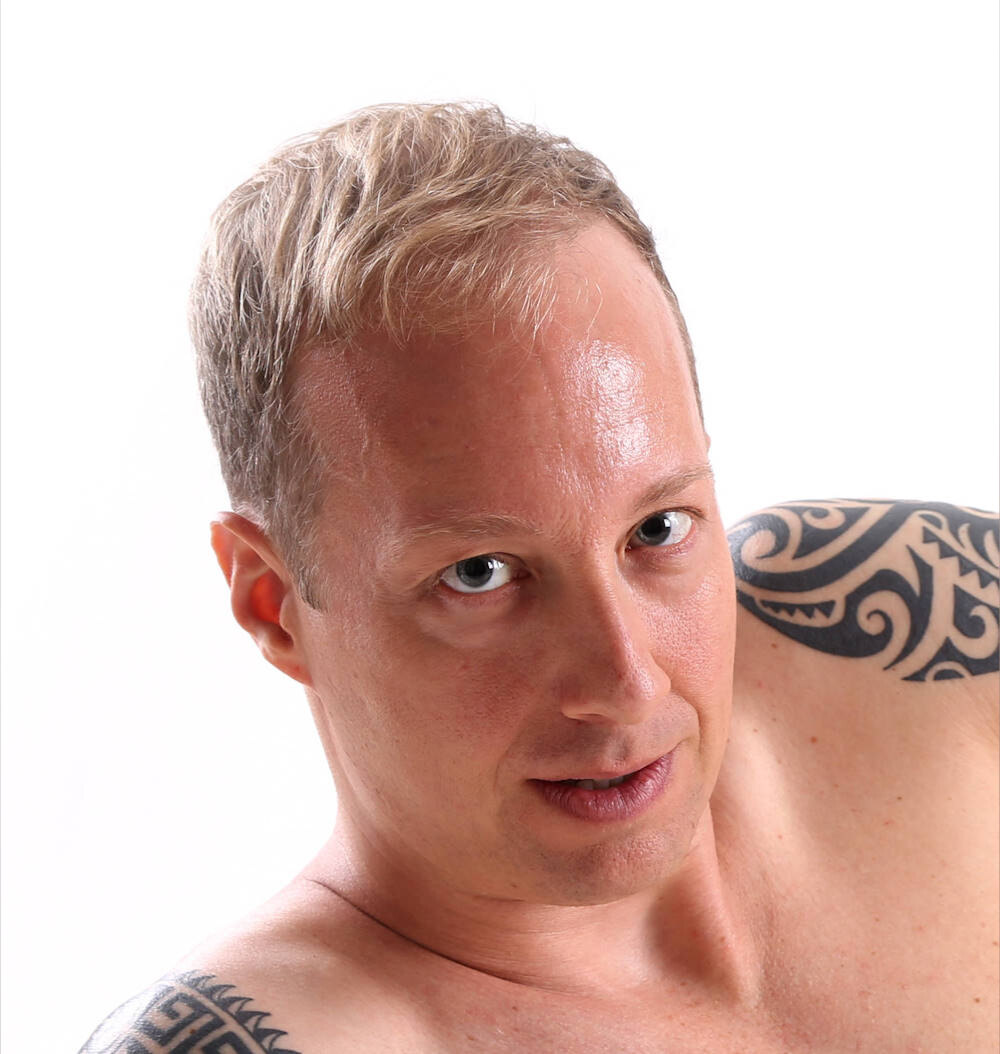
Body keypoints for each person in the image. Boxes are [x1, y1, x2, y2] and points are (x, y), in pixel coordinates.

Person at [81, 103, 998, 1054]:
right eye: (480, 575)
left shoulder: (905, 631)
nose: (627, 682)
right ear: (273, 603)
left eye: (657, 530)